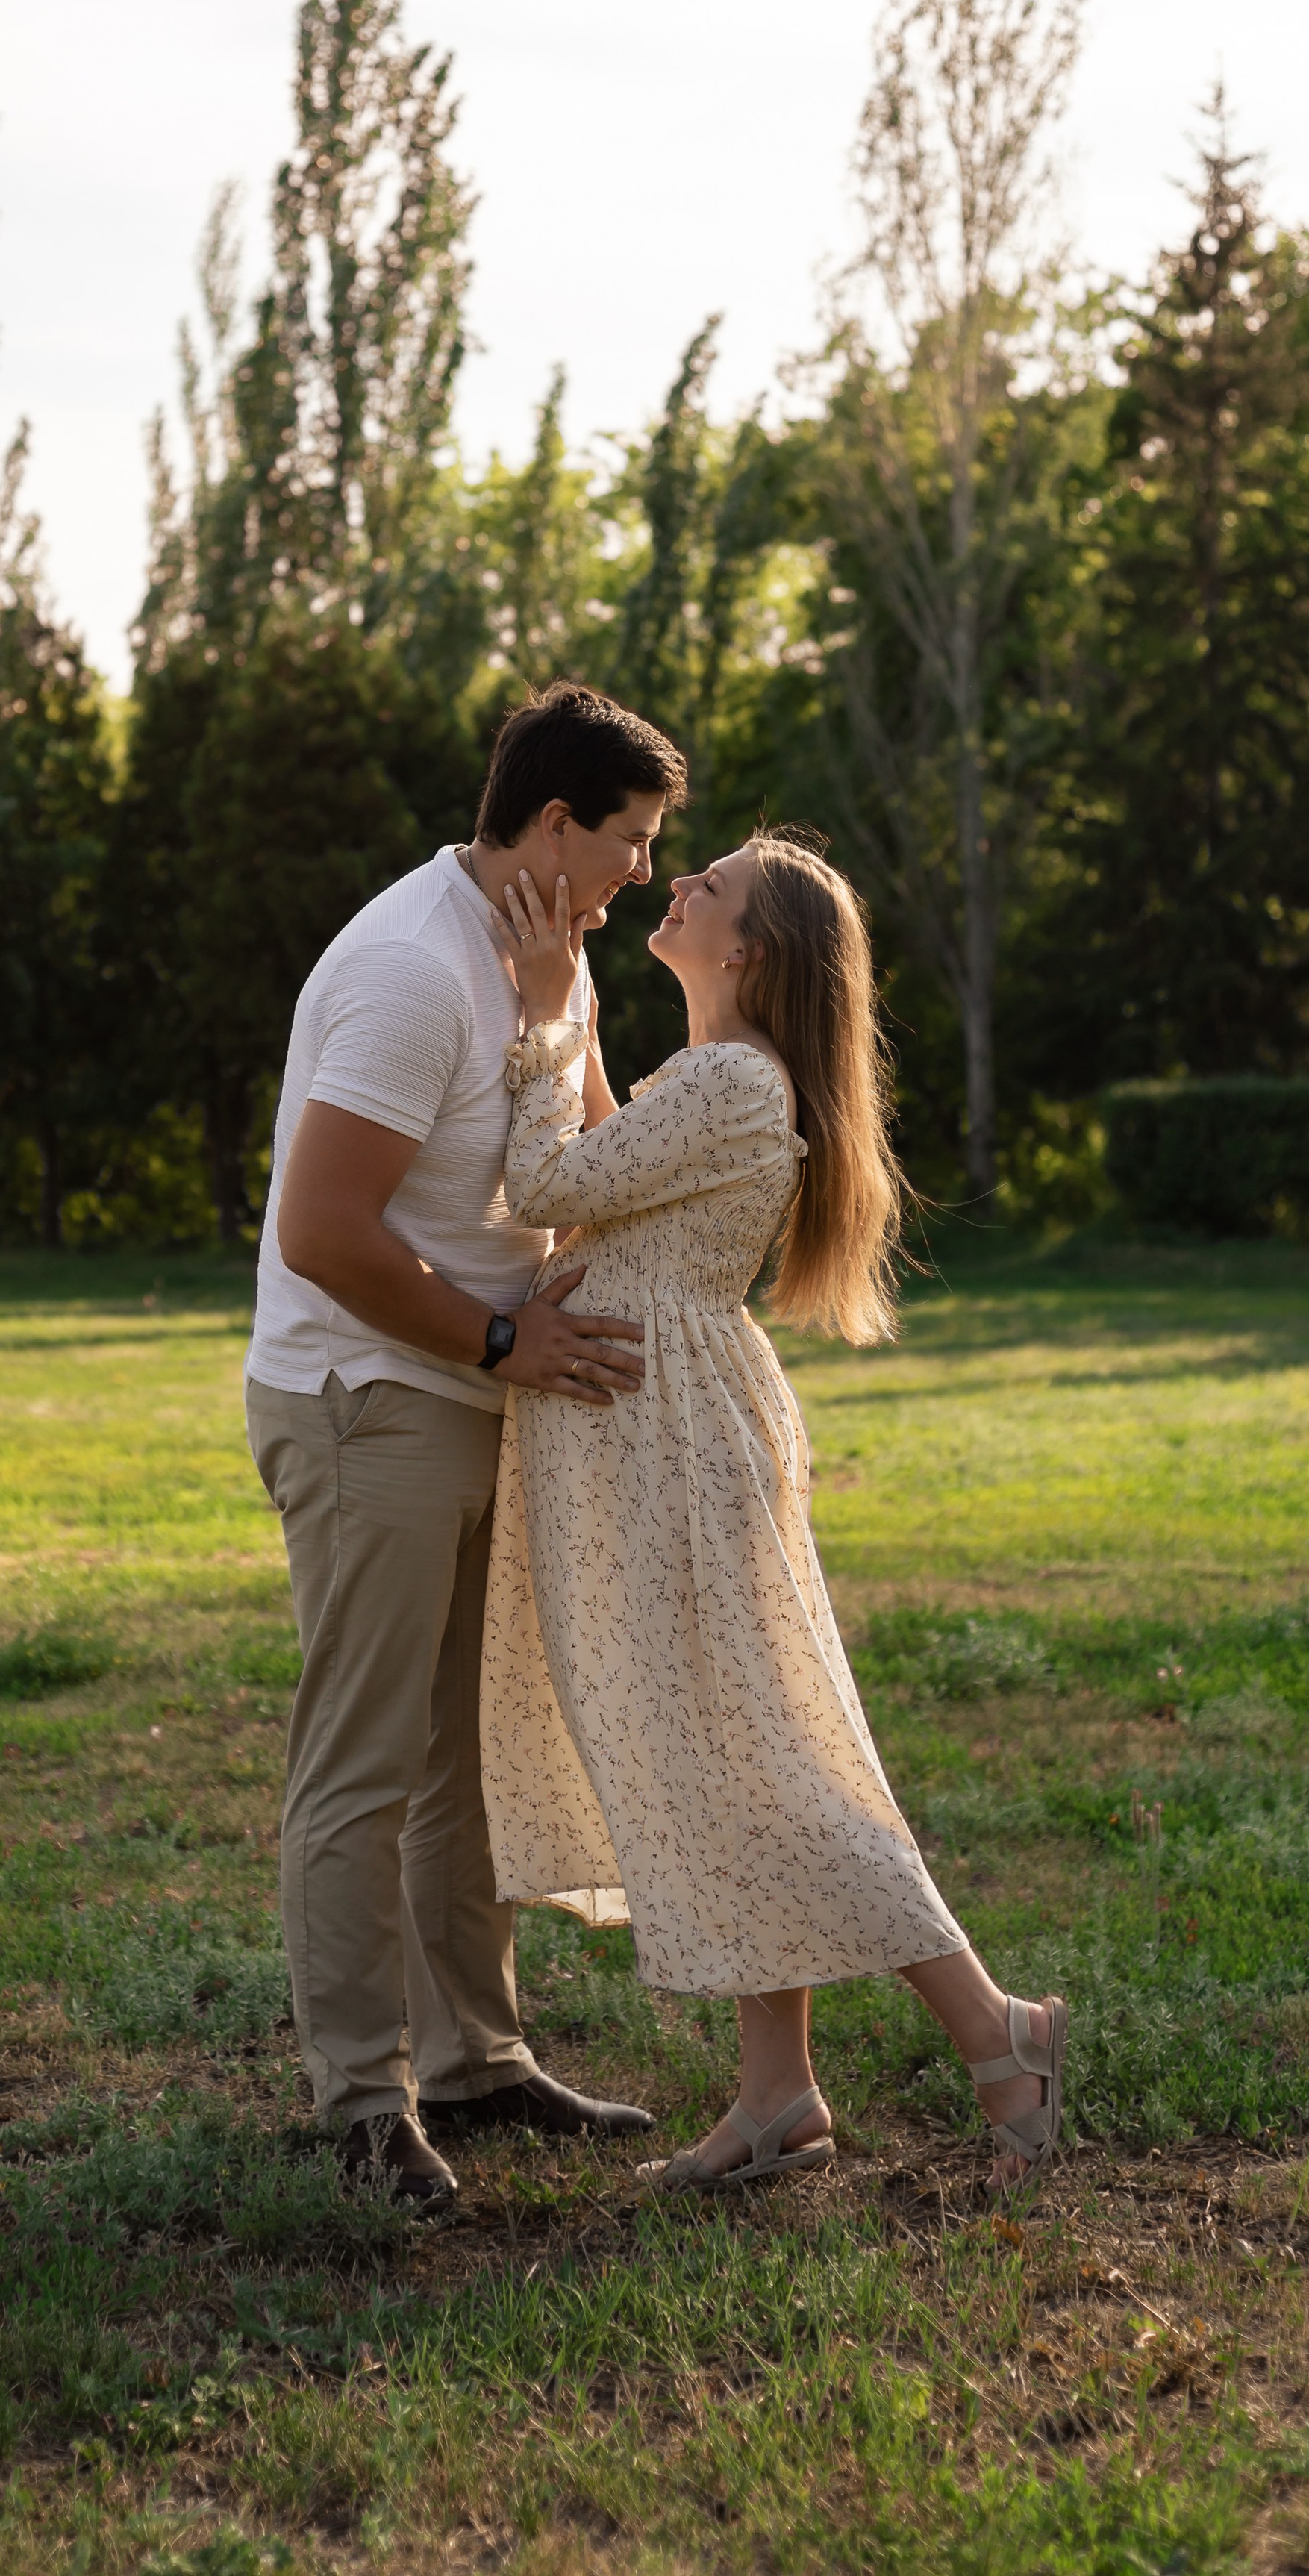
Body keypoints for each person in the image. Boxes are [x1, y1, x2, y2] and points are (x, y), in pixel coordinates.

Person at [478, 835, 1066, 2192]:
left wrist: (540, 1011)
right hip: (653, 1431)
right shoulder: (711, 1078)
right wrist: (576, 1030)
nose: (677, 887)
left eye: (711, 888)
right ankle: (777, 2095)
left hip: (673, 1440)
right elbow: (606, 1179)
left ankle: (1000, 2030)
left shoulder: (739, 1081)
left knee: (771, 1758)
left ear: (747, 950)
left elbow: (547, 1188)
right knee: (728, 1753)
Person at [246, 683, 689, 2207]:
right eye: (629, 840)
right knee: (362, 1766)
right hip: (368, 1396)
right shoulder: (408, 970)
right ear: (553, 824)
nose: (642, 871)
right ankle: (363, 2104)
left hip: (475, 1396)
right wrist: (502, 1339)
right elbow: (318, 1232)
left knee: (463, 1761)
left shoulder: (547, 960)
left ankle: (474, 2062)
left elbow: (582, 1157)